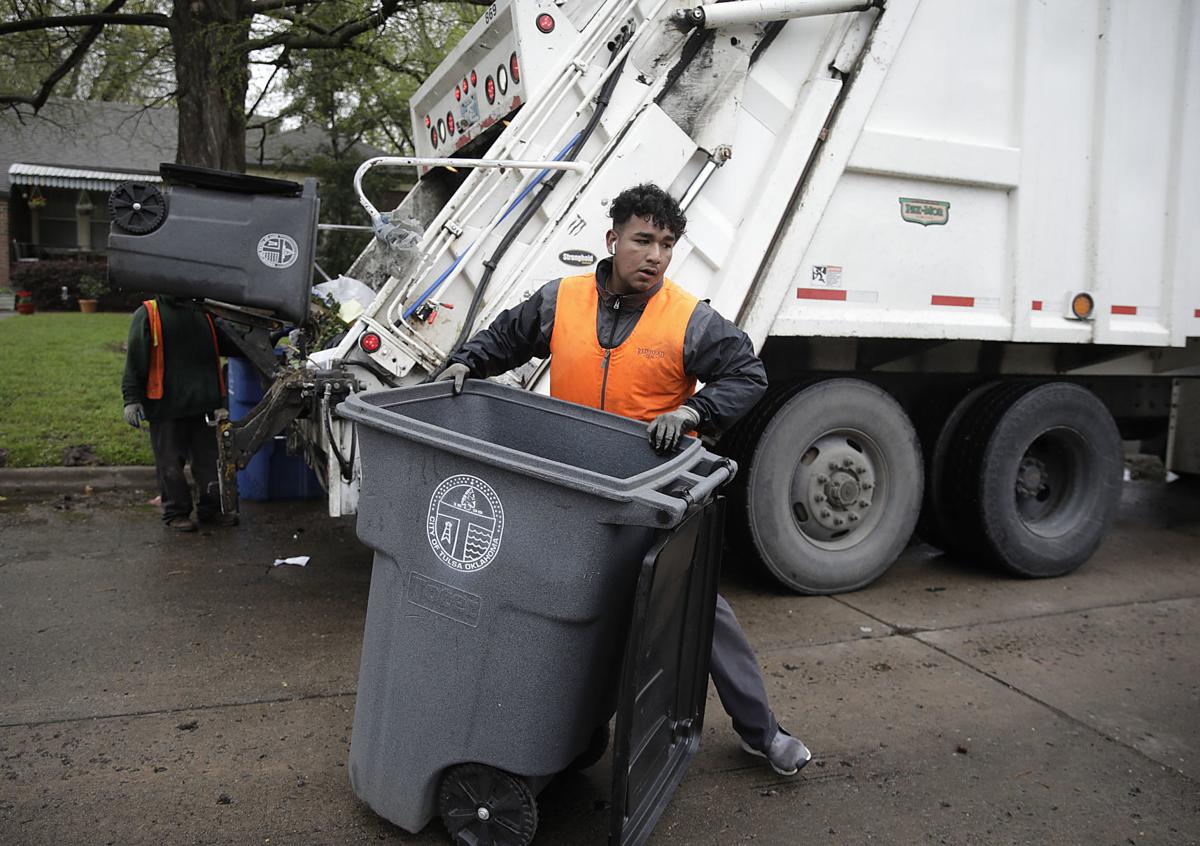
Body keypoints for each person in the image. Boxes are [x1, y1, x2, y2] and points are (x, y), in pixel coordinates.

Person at [437, 183, 812, 776]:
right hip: (574, 492)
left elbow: (747, 373)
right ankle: (539, 734)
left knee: (700, 612)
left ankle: (761, 730)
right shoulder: (561, 299)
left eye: (667, 244)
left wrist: (694, 413)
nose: (656, 256)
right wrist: (467, 360)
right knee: (552, 614)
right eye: (643, 240)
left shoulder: (688, 318)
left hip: (652, 495)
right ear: (612, 240)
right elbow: (506, 339)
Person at [122, 295, 239, 532]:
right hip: (166, 406)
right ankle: (176, 513)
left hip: (203, 403)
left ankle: (213, 510)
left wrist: (261, 339)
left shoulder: (205, 312)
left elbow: (230, 344)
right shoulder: (149, 313)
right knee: (170, 465)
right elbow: (135, 359)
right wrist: (131, 399)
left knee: (209, 463)